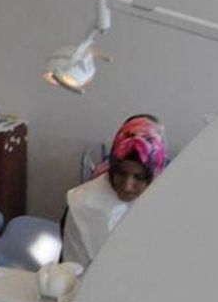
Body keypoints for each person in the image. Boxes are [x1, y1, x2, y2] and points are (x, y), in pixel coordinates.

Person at [61, 114, 169, 269]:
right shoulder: (82, 205)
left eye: (139, 177)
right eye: (121, 173)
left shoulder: (166, 205)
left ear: (154, 176)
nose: (127, 186)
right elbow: (72, 269)